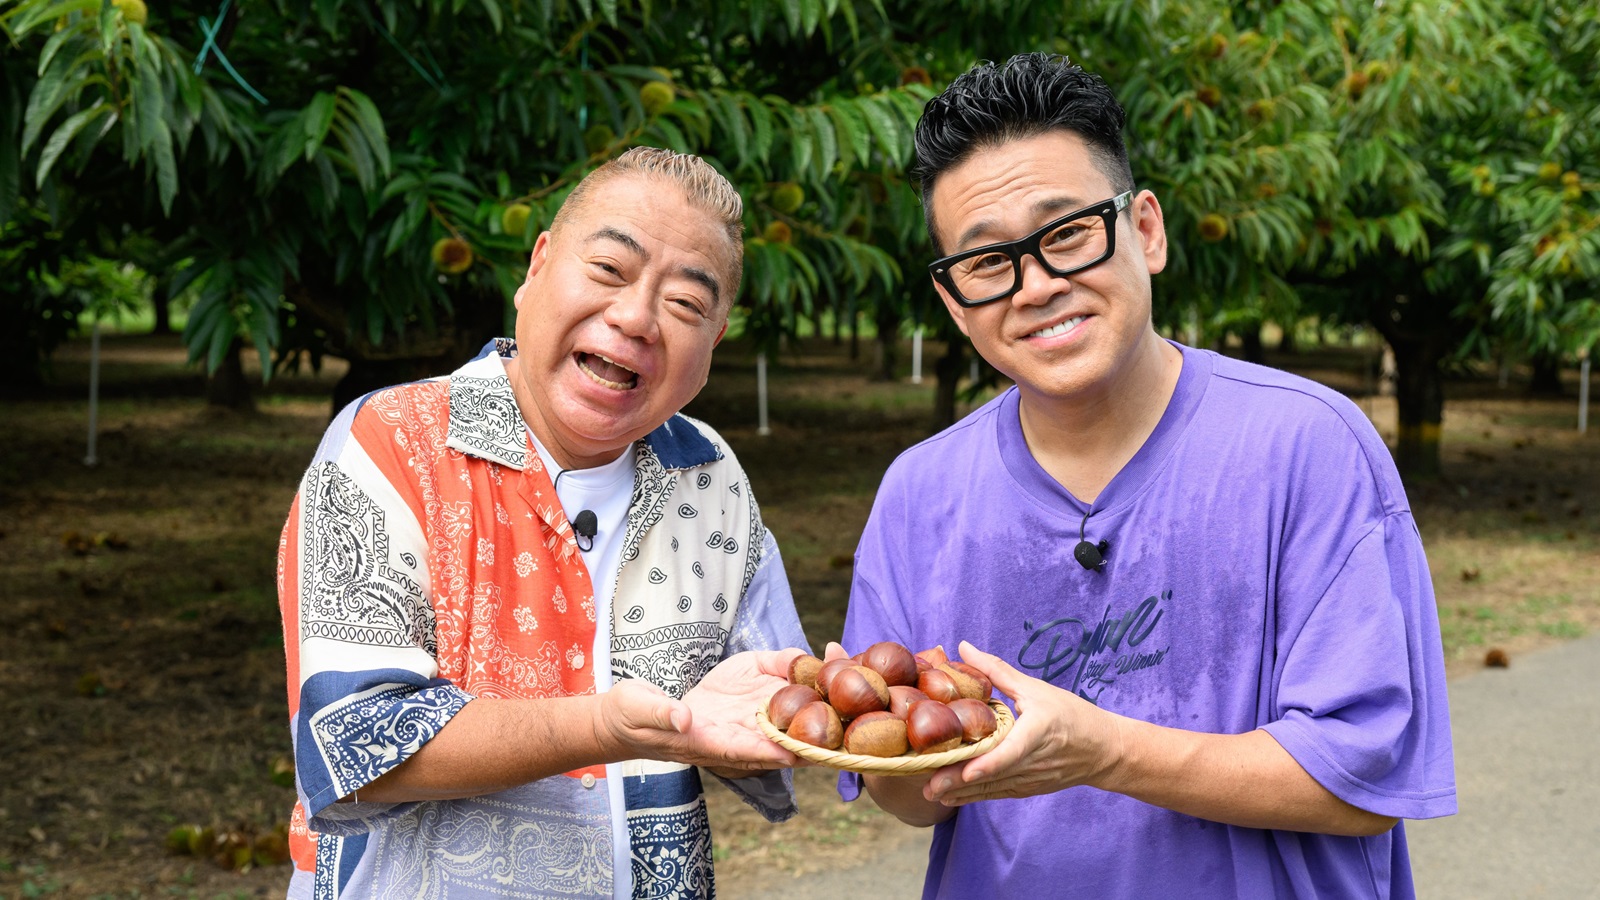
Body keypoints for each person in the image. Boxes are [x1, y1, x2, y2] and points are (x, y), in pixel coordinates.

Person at [837, 53, 1457, 897]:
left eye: (1067, 234)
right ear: (954, 301)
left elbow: (1362, 783)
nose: (1037, 287)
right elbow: (911, 801)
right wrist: (875, 730)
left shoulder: (1306, 445)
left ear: (1148, 231)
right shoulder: (919, 493)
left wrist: (1105, 750)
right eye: (988, 262)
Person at [277, 147, 811, 899]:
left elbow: (771, 707)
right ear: (536, 269)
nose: (636, 317)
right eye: (608, 271)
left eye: (687, 305)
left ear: (715, 340)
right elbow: (358, 744)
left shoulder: (710, 473)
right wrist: (603, 727)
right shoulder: (393, 440)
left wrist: (820, 716)